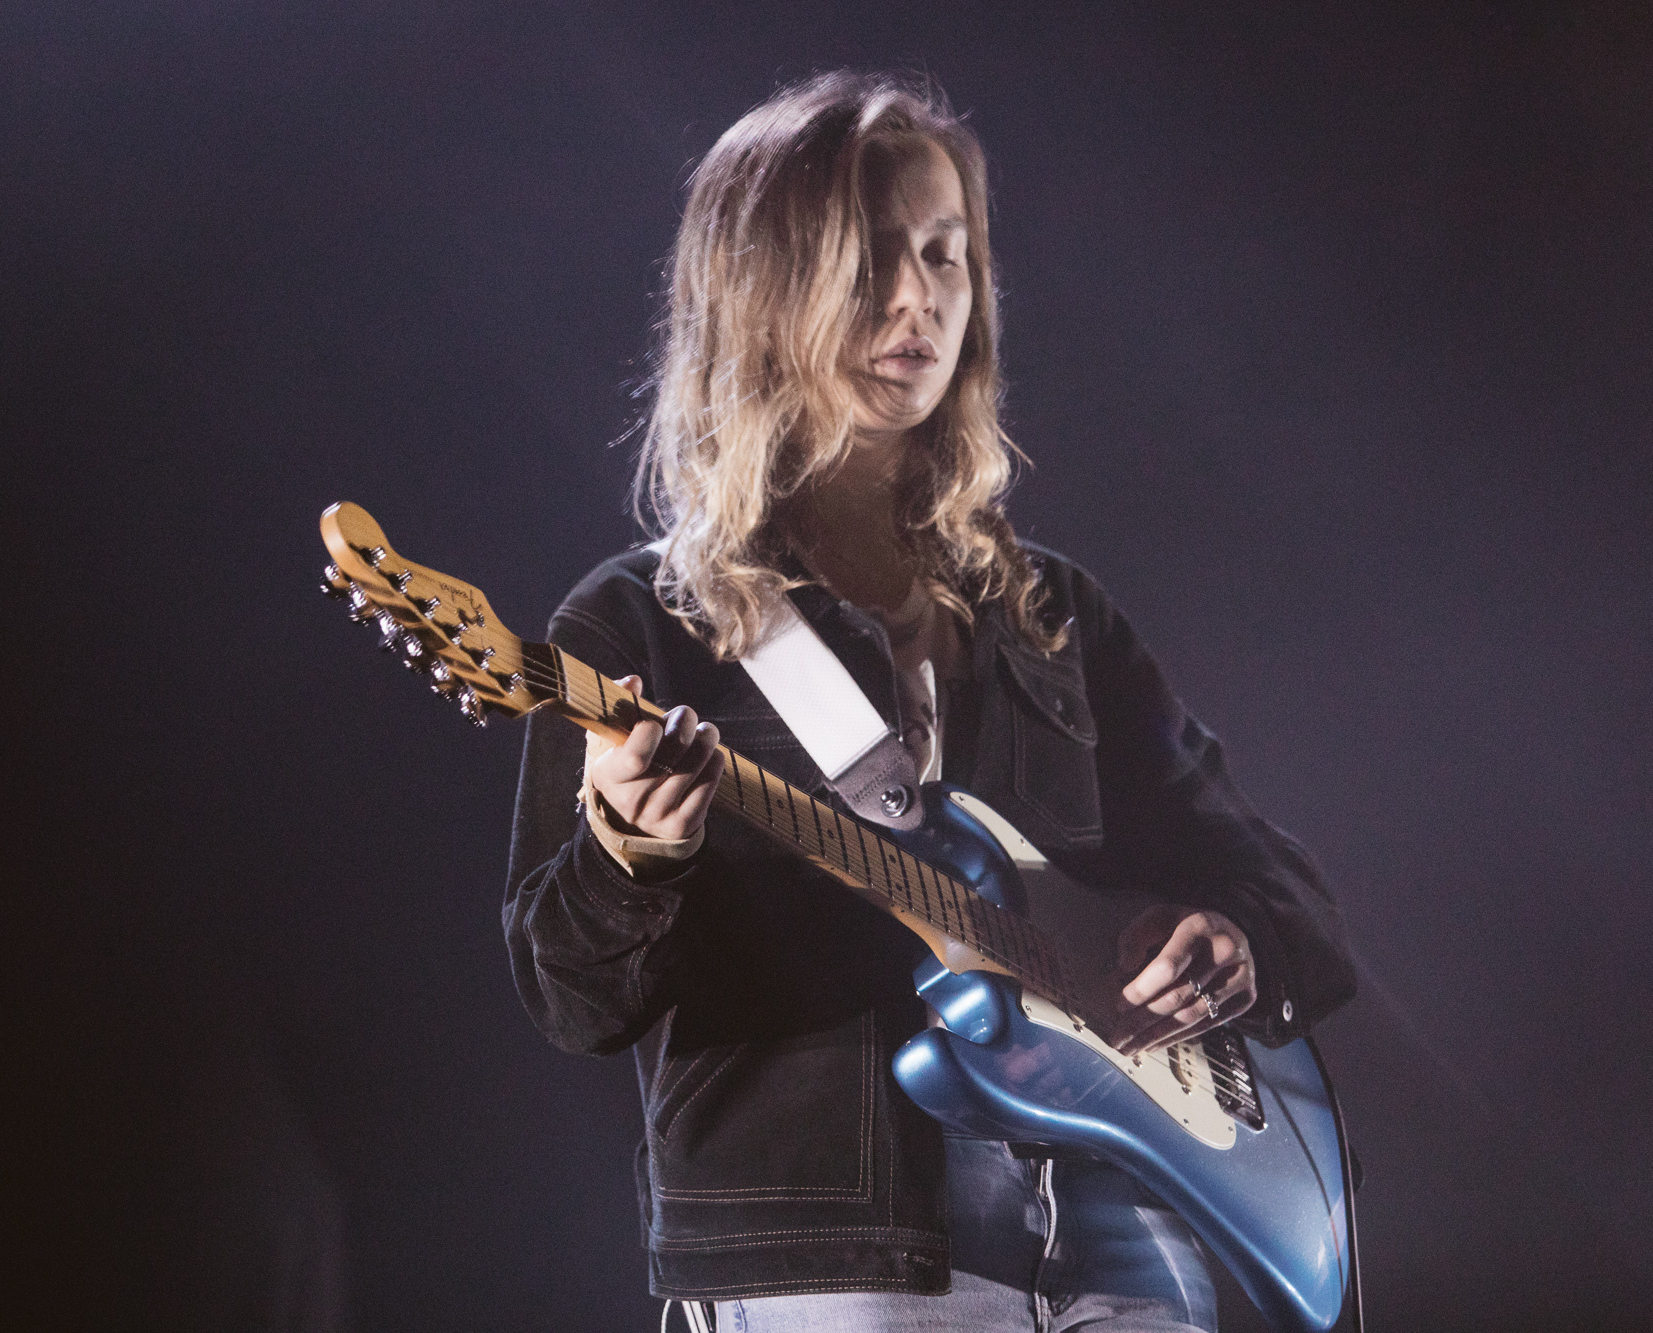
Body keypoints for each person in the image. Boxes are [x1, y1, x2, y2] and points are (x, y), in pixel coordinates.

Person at [503, 71, 1354, 1332]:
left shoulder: (1053, 617)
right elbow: (569, 997)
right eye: (868, 261)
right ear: (762, 289)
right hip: (838, 1257)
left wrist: (1235, 941)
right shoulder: (640, 626)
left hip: (1129, 1233)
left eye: (944, 255)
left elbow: (1283, 886)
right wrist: (627, 851)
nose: (918, 300)